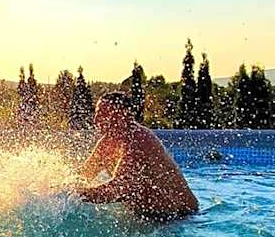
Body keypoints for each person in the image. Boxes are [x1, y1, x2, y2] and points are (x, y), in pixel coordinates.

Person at [78, 91, 199, 222]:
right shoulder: (107, 143)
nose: (96, 120)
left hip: (179, 219)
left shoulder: (139, 140)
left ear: (123, 115)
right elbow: (84, 175)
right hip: (147, 217)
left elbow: (120, 189)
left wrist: (75, 195)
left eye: (102, 114)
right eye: (97, 114)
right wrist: (60, 191)